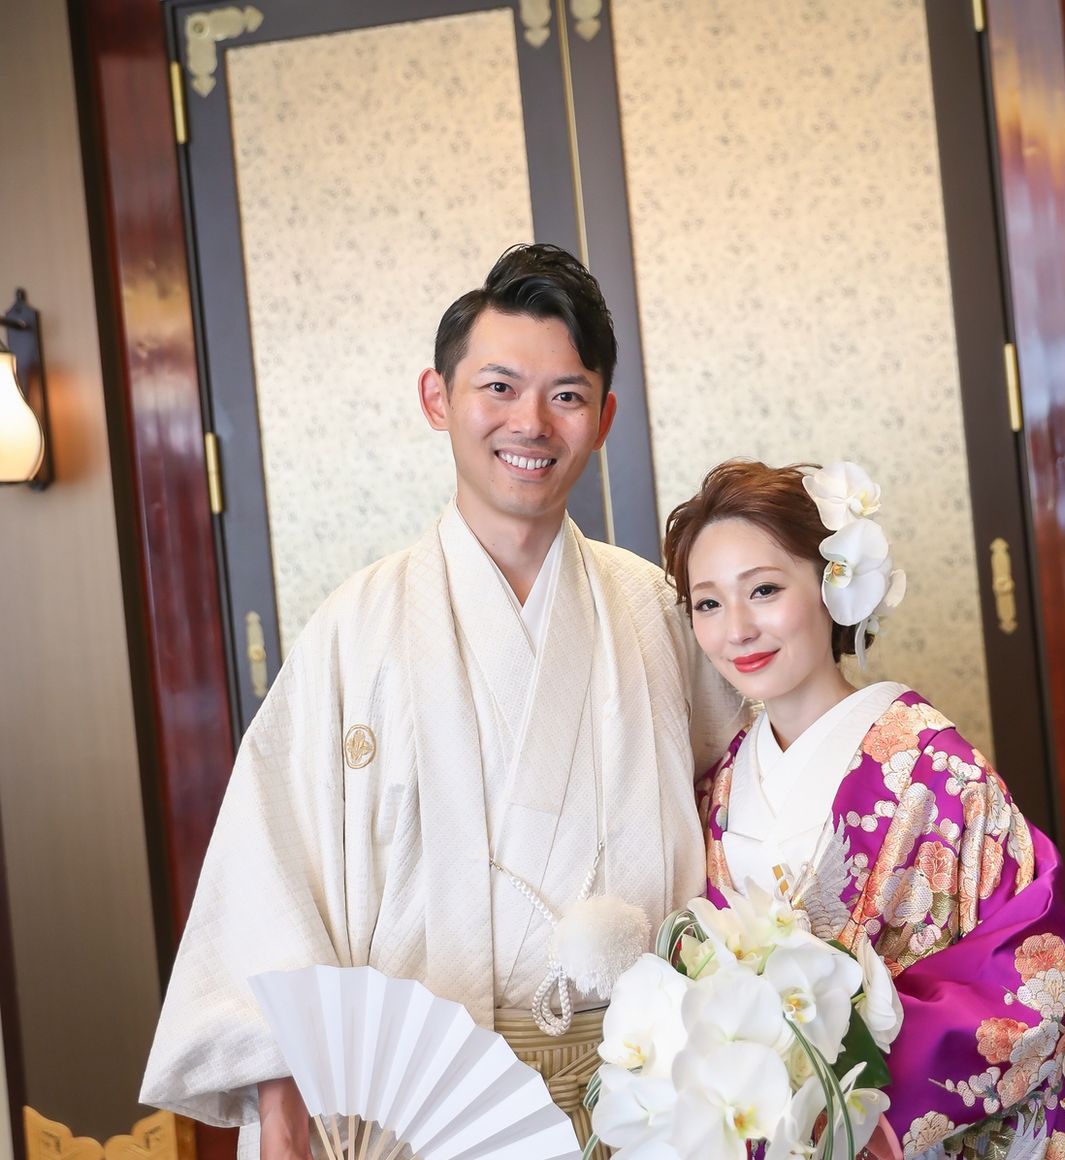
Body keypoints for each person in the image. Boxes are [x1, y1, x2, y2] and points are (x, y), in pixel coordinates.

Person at [140, 244, 744, 1157]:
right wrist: (283, 1111)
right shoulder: (354, 631)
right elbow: (272, 876)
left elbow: (749, 806)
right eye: (498, 387)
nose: (530, 423)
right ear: (437, 398)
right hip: (423, 1117)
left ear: (604, 418)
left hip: (649, 1093)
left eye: (567, 395)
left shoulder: (656, 611)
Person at [662, 459, 1065, 1160]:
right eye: (708, 603)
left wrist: (857, 1104)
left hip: (901, 1129)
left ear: (835, 587)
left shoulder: (939, 770)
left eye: (764, 590)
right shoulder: (721, 783)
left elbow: (1034, 976)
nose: (736, 629)